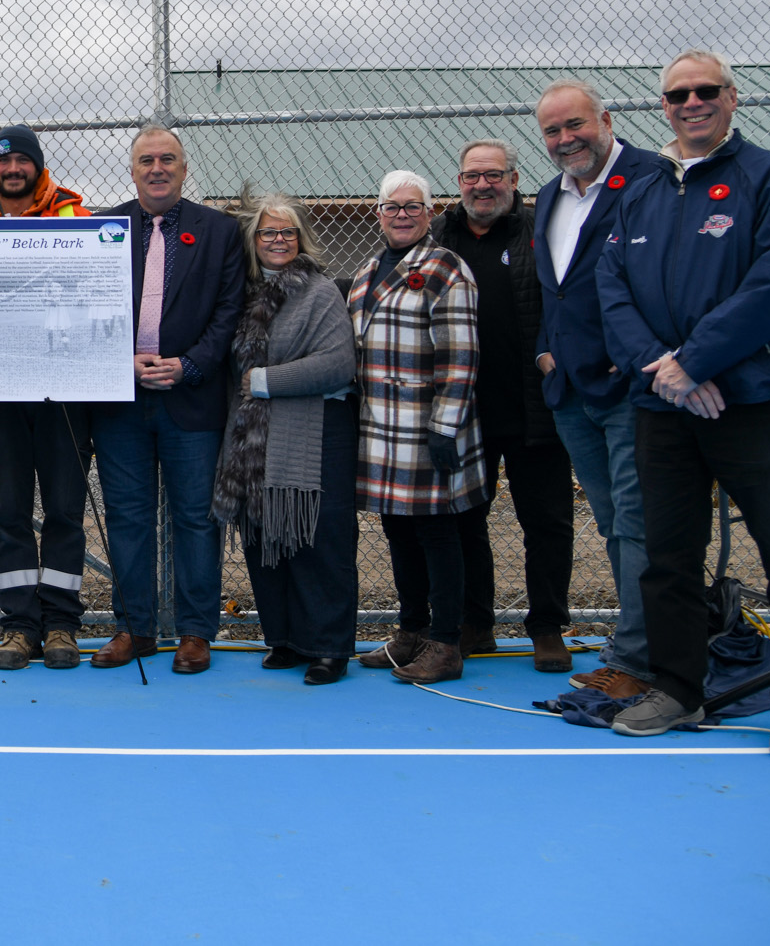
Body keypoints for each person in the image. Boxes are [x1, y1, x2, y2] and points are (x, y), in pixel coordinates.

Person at [600, 51, 770, 758]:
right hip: (664, 407)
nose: (692, 101)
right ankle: (678, 687)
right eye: (678, 93)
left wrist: (694, 361)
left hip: (755, 403)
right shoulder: (639, 191)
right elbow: (611, 287)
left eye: (706, 90)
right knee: (668, 557)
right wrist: (662, 369)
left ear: (732, 98)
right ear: (663, 105)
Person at [88, 125, 245, 673]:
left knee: (197, 519)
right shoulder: (100, 229)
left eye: (168, 160)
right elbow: (83, 310)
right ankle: (134, 628)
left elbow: (230, 311)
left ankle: (196, 632)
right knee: (128, 516)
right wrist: (119, 365)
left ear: (184, 169)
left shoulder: (221, 231)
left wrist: (191, 365)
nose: (157, 168)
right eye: (146, 160)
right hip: (119, 401)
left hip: (192, 399)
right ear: (131, 171)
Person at [531, 79, 662, 699]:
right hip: (571, 394)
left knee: (639, 524)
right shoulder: (549, 196)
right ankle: (638, 649)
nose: (565, 139)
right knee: (613, 523)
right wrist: (543, 351)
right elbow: (552, 288)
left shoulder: (652, 180)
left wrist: (637, 361)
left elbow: (668, 282)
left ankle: (638, 662)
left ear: (605, 120)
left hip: (634, 390)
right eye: (553, 131)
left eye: (574, 125)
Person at [430, 139, 576, 670]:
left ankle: (546, 627)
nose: (482, 185)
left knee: (547, 522)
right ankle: (476, 622)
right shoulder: (437, 235)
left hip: (536, 408)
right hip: (464, 412)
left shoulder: (544, 231)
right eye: (472, 176)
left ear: (514, 180)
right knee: (465, 520)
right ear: (460, 181)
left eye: (494, 175)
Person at [210, 190, 358, 685]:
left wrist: (266, 381)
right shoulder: (242, 293)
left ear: (300, 238)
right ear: (253, 241)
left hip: (314, 431)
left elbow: (338, 365)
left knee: (317, 537)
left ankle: (328, 647)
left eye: (287, 232)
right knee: (264, 534)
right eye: (268, 232)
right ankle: (285, 639)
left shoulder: (320, 292)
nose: (277, 240)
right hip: (250, 437)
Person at [0, 125, 94, 671]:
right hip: (2, 388)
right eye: (4, 161)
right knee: (9, 511)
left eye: (23, 160)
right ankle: (19, 625)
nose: (13, 168)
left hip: (64, 388)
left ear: (38, 167)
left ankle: (61, 623)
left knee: (65, 509)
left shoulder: (75, 217)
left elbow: (96, 288)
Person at [349, 170, 484, 685]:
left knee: (437, 532)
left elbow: (461, 356)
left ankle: (446, 641)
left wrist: (445, 427)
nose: (401, 214)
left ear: (431, 212)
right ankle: (410, 631)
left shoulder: (447, 269)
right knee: (397, 528)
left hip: (428, 428)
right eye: (391, 206)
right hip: (381, 429)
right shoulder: (367, 271)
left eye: (412, 205)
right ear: (377, 212)